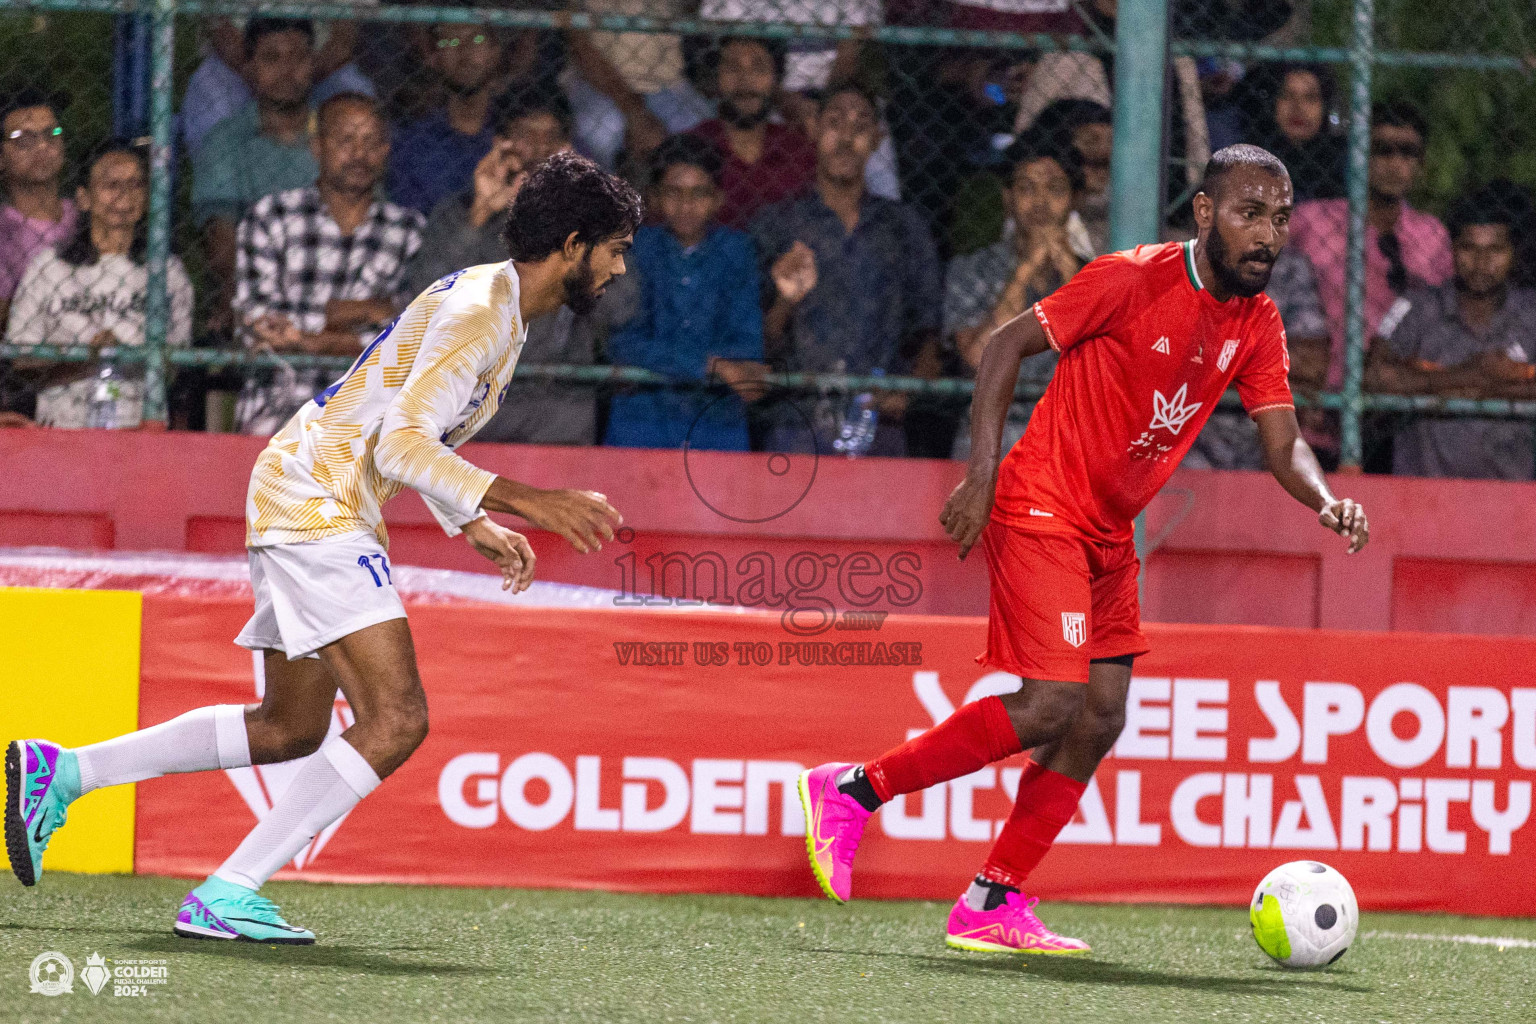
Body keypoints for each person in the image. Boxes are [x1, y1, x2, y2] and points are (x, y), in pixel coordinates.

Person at [7, 151, 640, 944]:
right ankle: (228, 889)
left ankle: (61, 773)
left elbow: (400, 424)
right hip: (319, 499)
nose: (619, 267)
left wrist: (468, 520)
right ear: (574, 243)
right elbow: (406, 445)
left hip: (308, 485)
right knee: (397, 716)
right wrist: (527, 500)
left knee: (288, 727)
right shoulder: (483, 310)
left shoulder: (499, 306)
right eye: (616, 248)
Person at [797, 145, 1369, 954]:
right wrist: (982, 472)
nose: (1266, 234)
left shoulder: (1257, 321)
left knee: (1100, 715)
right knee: (1053, 702)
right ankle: (856, 790)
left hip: (1107, 532)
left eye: (1278, 218)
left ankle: (992, 900)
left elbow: (1285, 444)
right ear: (1205, 214)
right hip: (1041, 503)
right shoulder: (1131, 277)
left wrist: (1327, 500)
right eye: (1249, 213)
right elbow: (1002, 346)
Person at [750, 83, 941, 457]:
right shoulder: (777, 224)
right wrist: (786, 302)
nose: (846, 137)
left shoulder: (903, 226)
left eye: (861, 126)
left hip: (878, 420)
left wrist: (908, 391)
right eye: (835, 122)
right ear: (813, 128)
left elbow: (930, 332)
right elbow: (756, 341)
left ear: (877, 139)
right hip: (797, 419)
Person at [407, 93, 599, 447]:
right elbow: (425, 295)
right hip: (469, 395)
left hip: (555, 404)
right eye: (527, 135)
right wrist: (479, 214)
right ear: (501, 144)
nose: (541, 148)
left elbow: (622, 305)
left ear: (568, 149)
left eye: (551, 138)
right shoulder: (459, 212)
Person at [231, 93, 424, 436]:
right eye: (346, 140)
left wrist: (305, 339)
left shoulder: (410, 231)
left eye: (371, 142)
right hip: (279, 410)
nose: (359, 155)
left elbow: (412, 339)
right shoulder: (271, 218)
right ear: (317, 146)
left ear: (386, 150)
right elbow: (258, 325)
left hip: (372, 418)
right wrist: (364, 312)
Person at [6, 143, 193, 428]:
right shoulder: (50, 267)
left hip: (139, 426)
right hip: (62, 427)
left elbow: (174, 366)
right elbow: (20, 363)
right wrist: (89, 360)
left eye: (135, 184)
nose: (124, 195)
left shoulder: (167, 271)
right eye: (111, 184)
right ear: (83, 198)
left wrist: (121, 357)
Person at [604, 134, 765, 451]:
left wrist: (717, 366)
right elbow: (621, 342)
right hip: (643, 421)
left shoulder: (736, 251)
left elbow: (748, 345)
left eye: (699, 193)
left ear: (718, 199)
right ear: (655, 197)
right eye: (673, 193)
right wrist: (709, 365)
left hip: (715, 423)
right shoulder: (636, 250)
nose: (686, 205)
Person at [1368, 191, 1536, 480]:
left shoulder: (1530, 311)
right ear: (1452, 248)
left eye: (1495, 250)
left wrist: (1480, 389)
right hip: (1422, 490)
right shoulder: (1415, 306)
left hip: (1512, 495)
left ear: (1514, 253)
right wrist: (1470, 375)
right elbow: (1373, 377)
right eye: (1469, 248)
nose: (1481, 263)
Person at [1289, 100, 1452, 394]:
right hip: (1318, 397)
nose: (1395, 164)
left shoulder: (1431, 235)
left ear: (1421, 163)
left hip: (1399, 398)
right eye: (1382, 150)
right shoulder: (1312, 221)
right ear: (1360, 154)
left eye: (1407, 152)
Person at [945, 131, 1082, 461]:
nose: (1040, 203)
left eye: (1055, 189)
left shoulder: (1094, 274)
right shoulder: (972, 268)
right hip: (991, 435)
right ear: (1007, 198)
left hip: (1069, 435)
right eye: (1026, 188)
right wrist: (1023, 273)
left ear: (1074, 200)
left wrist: (1072, 278)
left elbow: (1107, 366)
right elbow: (978, 358)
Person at [192, 19, 325, 336]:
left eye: (298, 58)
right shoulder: (224, 142)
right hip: (256, 286)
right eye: (272, 58)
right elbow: (221, 239)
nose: (287, 70)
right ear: (249, 68)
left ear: (313, 64)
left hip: (333, 278)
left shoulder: (338, 135)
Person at [689, 37, 817, 230]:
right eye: (732, 68)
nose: (745, 80)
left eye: (758, 68)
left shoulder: (799, 150)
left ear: (776, 80)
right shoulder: (694, 146)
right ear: (716, 79)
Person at [387, 24, 508, 216]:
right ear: (434, 58)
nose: (463, 51)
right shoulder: (411, 145)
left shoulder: (515, 132)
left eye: (476, 40)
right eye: (449, 42)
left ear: (494, 53)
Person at [0, 90, 76, 330]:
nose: (43, 146)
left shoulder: (86, 213)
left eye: (52, 134)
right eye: (24, 139)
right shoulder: (4, 231)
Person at [1239, 63, 1345, 202]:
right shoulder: (1247, 158)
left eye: (1310, 98)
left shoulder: (1341, 163)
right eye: (1287, 95)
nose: (1298, 107)